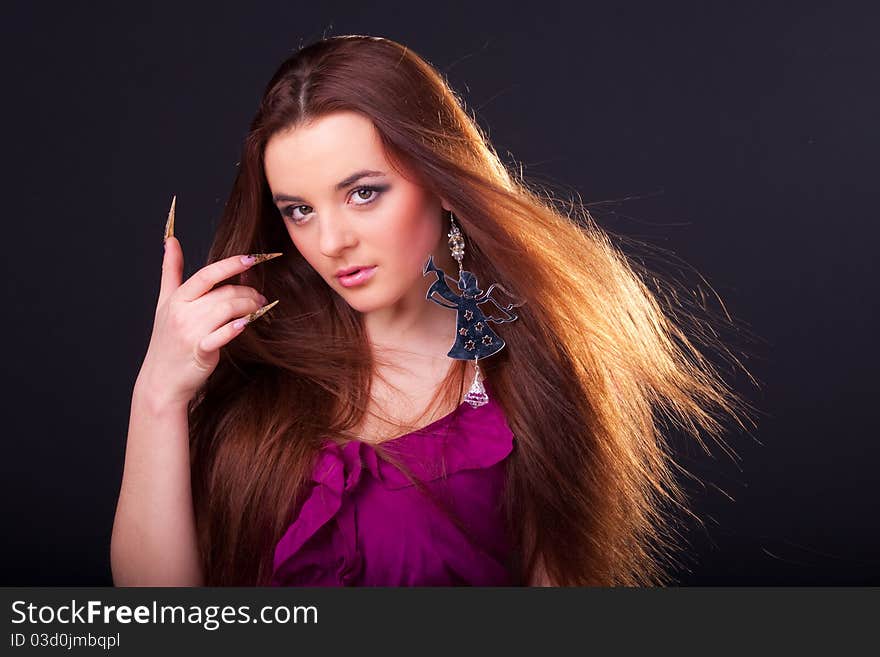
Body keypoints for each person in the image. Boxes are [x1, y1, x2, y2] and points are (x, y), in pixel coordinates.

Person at [110, 35, 753, 587]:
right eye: (298, 209)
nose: (330, 242)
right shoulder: (251, 366)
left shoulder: (534, 376)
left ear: (440, 179)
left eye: (363, 193)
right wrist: (159, 392)